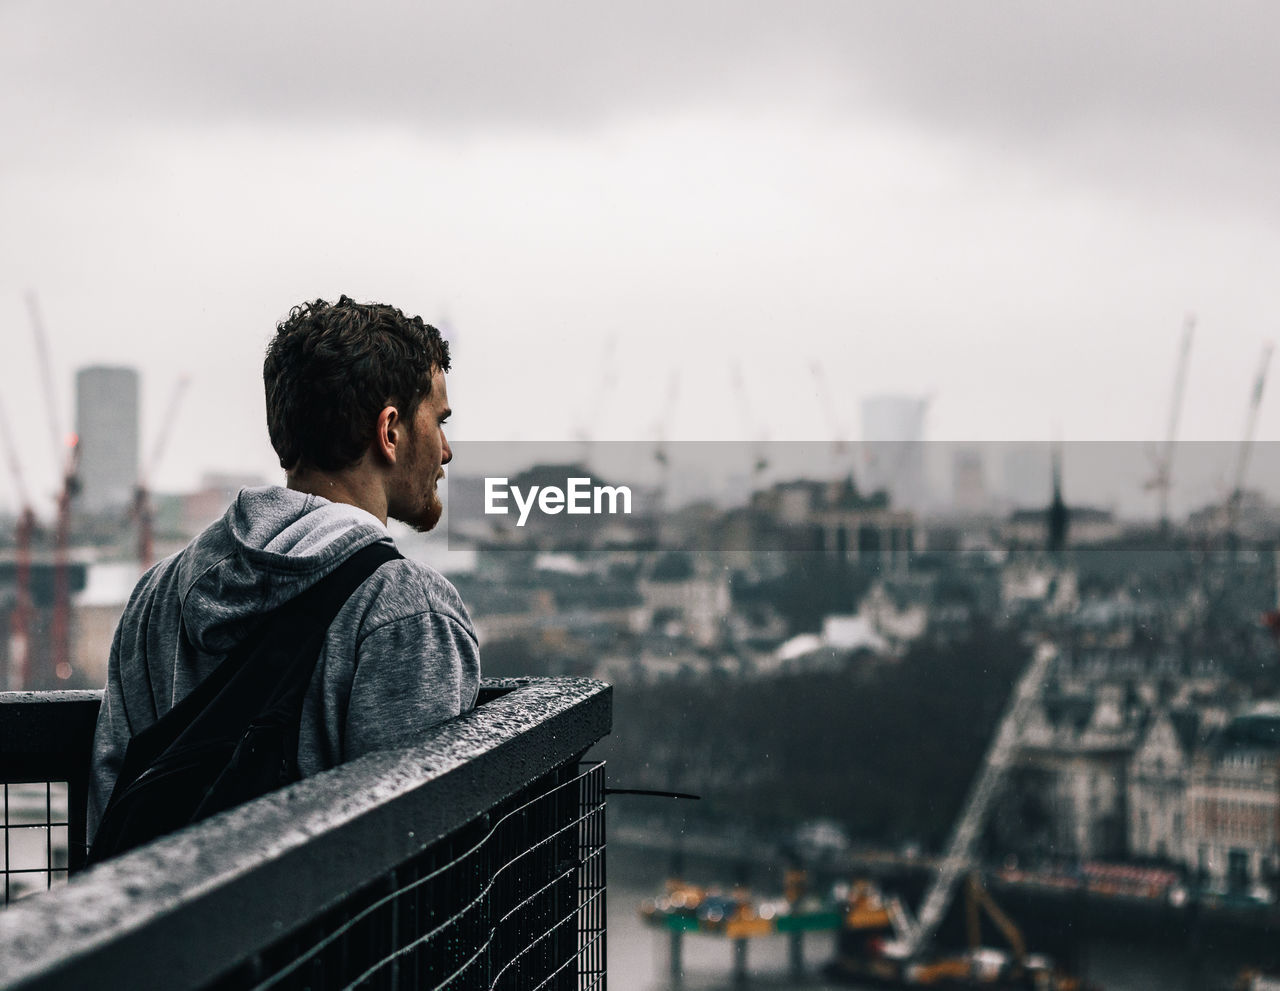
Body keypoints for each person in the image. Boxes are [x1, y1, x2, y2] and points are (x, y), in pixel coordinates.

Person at [88, 296, 481, 839]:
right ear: (389, 430)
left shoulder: (156, 593)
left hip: (150, 916)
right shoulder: (409, 610)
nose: (446, 450)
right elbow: (417, 860)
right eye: (438, 421)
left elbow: (110, 797)